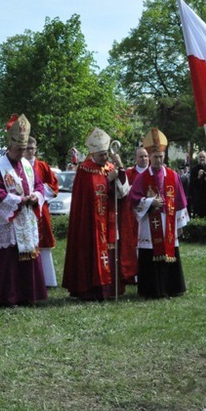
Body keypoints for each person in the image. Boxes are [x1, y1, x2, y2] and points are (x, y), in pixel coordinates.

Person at [0, 114, 50, 307]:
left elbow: (39, 185)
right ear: (10, 146)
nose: (22, 153)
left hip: (26, 218)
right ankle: (7, 298)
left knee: (28, 256)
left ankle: (28, 295)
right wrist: (18, 201)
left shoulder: (27, 165)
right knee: (8, 260)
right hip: (7, 220)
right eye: (19, 149)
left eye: (24, 149)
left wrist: (36, 197)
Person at [62, 127, 132, 300]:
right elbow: (91, 195)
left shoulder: (110, 167)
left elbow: (123, 193)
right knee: (92, 253)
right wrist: (108, 180)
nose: (105, 158)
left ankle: (110, 288)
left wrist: (119, 174)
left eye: (106, 154)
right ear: (93, 153)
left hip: (109, 218)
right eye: (101, 155)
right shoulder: (85, 170)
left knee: (110, 251)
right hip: (91, 222)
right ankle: (92, 290)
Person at [129, 128, 189, 298]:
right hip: (150, 221)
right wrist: (150, 202)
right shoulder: (142, 178)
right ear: (150, 158)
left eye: (161, 157)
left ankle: (172, 287)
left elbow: (180, 201)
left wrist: (179, 224)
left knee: (171, 252)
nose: (158, 160)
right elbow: (133, 199)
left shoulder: (173, 175)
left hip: (169, 220)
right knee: (150, 254)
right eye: (155, 157)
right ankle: (151, 289)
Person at [23, 136, 59, 288]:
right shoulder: (18, 165)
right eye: (27, 148)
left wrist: (38, 193)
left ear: (36, 149)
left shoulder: (42, 166)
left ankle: (48, 280)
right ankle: (29, 279)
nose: (30, 151)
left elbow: (54, 185)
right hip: (24, 208)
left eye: (32, 148)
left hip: (40, 209)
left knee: (43, 244)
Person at [119, 146, 149, 283]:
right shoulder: (129, 173)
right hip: (131, 214)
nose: (144, 159)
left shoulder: (152, 172)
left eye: (146, 156)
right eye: (141, 156)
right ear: (135, 158)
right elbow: (122, 192)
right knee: (131, 243)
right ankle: (130, 273)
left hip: (148, 215)